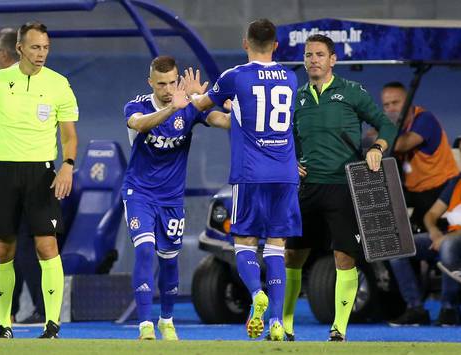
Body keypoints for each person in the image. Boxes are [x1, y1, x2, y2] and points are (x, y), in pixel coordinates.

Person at [190, 19, 301, 341]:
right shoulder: (291, 78)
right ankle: (277, 323)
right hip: (285, 174)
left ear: (245, 42)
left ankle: (256, 294)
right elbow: (247, 111)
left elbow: (202, 107)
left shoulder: (235, 77)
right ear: (276, 45)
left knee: (244, 242)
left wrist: (199, 94)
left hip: (251, 174)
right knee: (278, 248)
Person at [283, 34, 397, 341]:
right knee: (291, 257)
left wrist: (378, 148)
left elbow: (387, 125)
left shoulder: (352, 92)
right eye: (309, 55)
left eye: (320, 54)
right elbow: (286, 138)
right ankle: (287, 327)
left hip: (343, 187)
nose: (314, 60)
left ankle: (339, 328)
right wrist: (290, 161)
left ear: (333, 59)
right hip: (307, 189)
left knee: (344, 257)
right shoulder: (297, 97)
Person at [0, 21, 79, 339]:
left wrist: (67, 165)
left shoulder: (60, 84)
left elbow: (70, 135)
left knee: (47, 246)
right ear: (19, 48)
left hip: (41, 174)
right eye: (35, 47)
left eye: (45, 47)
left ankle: (52, 324)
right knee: (2, 249)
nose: (41, 53)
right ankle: (5, 323)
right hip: (1, 172)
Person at [123, 56, 229, 340]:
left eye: (172, 82)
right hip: (139, 193)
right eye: (161, 84)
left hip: (171, 199)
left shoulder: (189, 106)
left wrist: (208, 99)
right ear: (150, 83)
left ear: (178, 79)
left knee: (169, 260)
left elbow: (223, 122)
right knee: (145, 250)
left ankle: (166, 320)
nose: (168, 88)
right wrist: (173, 108)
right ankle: (145, 325)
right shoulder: (137, 106)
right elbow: (140, 125)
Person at [381, 81, 460, 232]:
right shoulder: (394, 126)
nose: (391, 109)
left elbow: (401, 145)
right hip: (414, 190)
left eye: (395, 103)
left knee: (412, 231)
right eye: (386, 105)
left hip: (441, 187)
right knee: (378, 200)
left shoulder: (425, 119)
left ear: (408, 102)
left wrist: (378, 138)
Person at [387, 173, 461, 326]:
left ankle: (449, 308)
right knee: (399, 246)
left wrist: (446, 238)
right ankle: (415, 308)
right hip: (449, 235)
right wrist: (434, 231)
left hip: (454, 239)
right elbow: (431, 214)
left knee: (448, 245)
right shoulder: (456, 181)